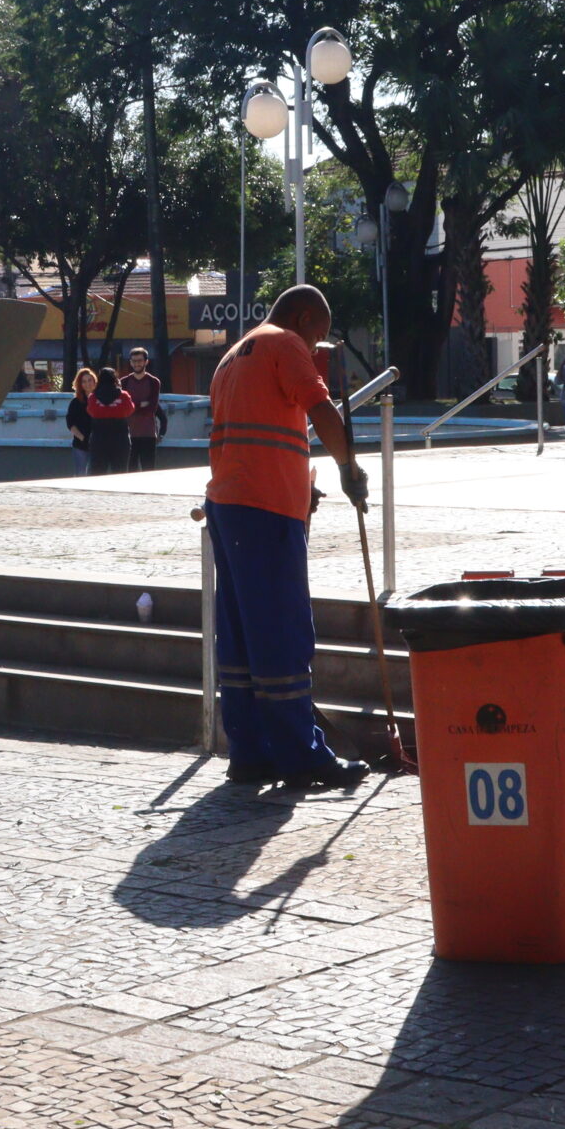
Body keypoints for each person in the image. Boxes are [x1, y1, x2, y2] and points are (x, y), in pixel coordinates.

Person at [204, 284, 372, 792]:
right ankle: (303, 757)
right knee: (281, 629)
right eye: (317, 335)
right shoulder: (284, 343)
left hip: (229, 505)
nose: (317, 348)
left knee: (239, 636)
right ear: (302, 318)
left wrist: (305, 485)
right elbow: (320, 411)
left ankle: (250, 753)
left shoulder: (234, 354)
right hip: (264, 510)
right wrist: (349, 468)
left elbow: (265, 433)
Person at [85, 366, 136, 474]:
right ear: (115, 379)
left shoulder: (93, 397)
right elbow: (130, 410)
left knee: (97, 474)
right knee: (120, 473)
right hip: (120, 439)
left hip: (98, 440)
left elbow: (90, 412)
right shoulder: (124, 396)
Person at [123, 349, 164, 472]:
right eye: (134, 361)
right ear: (130, 362)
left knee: (148, 471)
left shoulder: (154, 382)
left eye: (140, 361)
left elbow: (152, 408)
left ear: (146, 362)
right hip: (128, 435)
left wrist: (133, 405)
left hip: (148, 434)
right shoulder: (123, 382)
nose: (137, 364)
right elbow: (124, 409)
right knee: (129, 472)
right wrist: (142, 404)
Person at [67, 366, 97, 472]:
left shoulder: (101, 399)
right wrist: (82, 438)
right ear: (80, 384)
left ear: (94, 381)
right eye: (84, 381)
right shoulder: (75, 402)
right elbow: (70, 423)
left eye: (90, 380)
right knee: (81, 474)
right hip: (80, 445)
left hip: (98, 443)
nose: (87, 383)